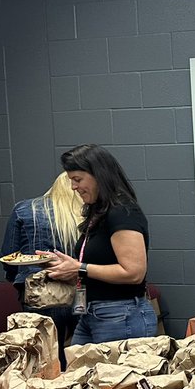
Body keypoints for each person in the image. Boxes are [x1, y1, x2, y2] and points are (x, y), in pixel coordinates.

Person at [43, 144, 156, 345]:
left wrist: (80, 268)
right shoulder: (99, 212)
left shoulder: (122, 211)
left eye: (78, 180)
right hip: (91, 313)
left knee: (115, 376)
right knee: (77, 371)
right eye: (71, 181)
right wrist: (68, 266)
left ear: (99, 175)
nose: (73, 187)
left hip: (121, 315)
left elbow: (134, 272)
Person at [0, 172, 84, 357]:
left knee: (46, 360)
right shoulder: (89, 212)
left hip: (39, 294)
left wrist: (19, 280)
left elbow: (9, 257)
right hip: (83, 293)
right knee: (81, 357)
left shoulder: (24, 209)